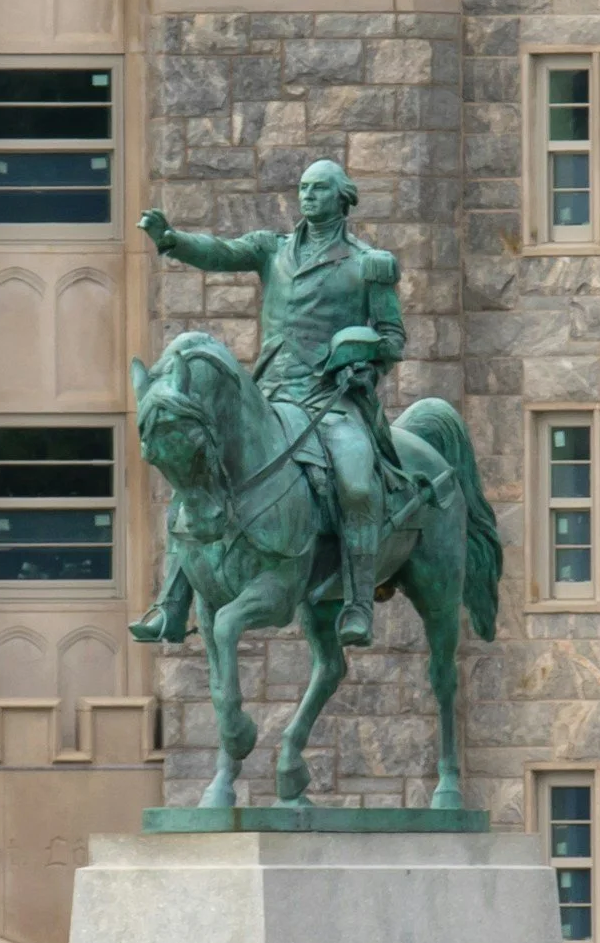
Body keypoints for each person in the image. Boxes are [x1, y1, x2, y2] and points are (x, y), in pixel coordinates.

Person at [131, 159, 406, 648]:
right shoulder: (271, 250)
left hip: (331, 401)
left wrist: (366, 362)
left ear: (342, 197)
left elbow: (392, 338)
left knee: (358, 486)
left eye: (318, 189)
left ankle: (359, 603)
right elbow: (220, 253)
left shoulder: (369, 263)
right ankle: (172, 603)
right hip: (271, 395)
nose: (307, 196)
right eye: (302, 188)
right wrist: (172, 238)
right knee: (198, 469)